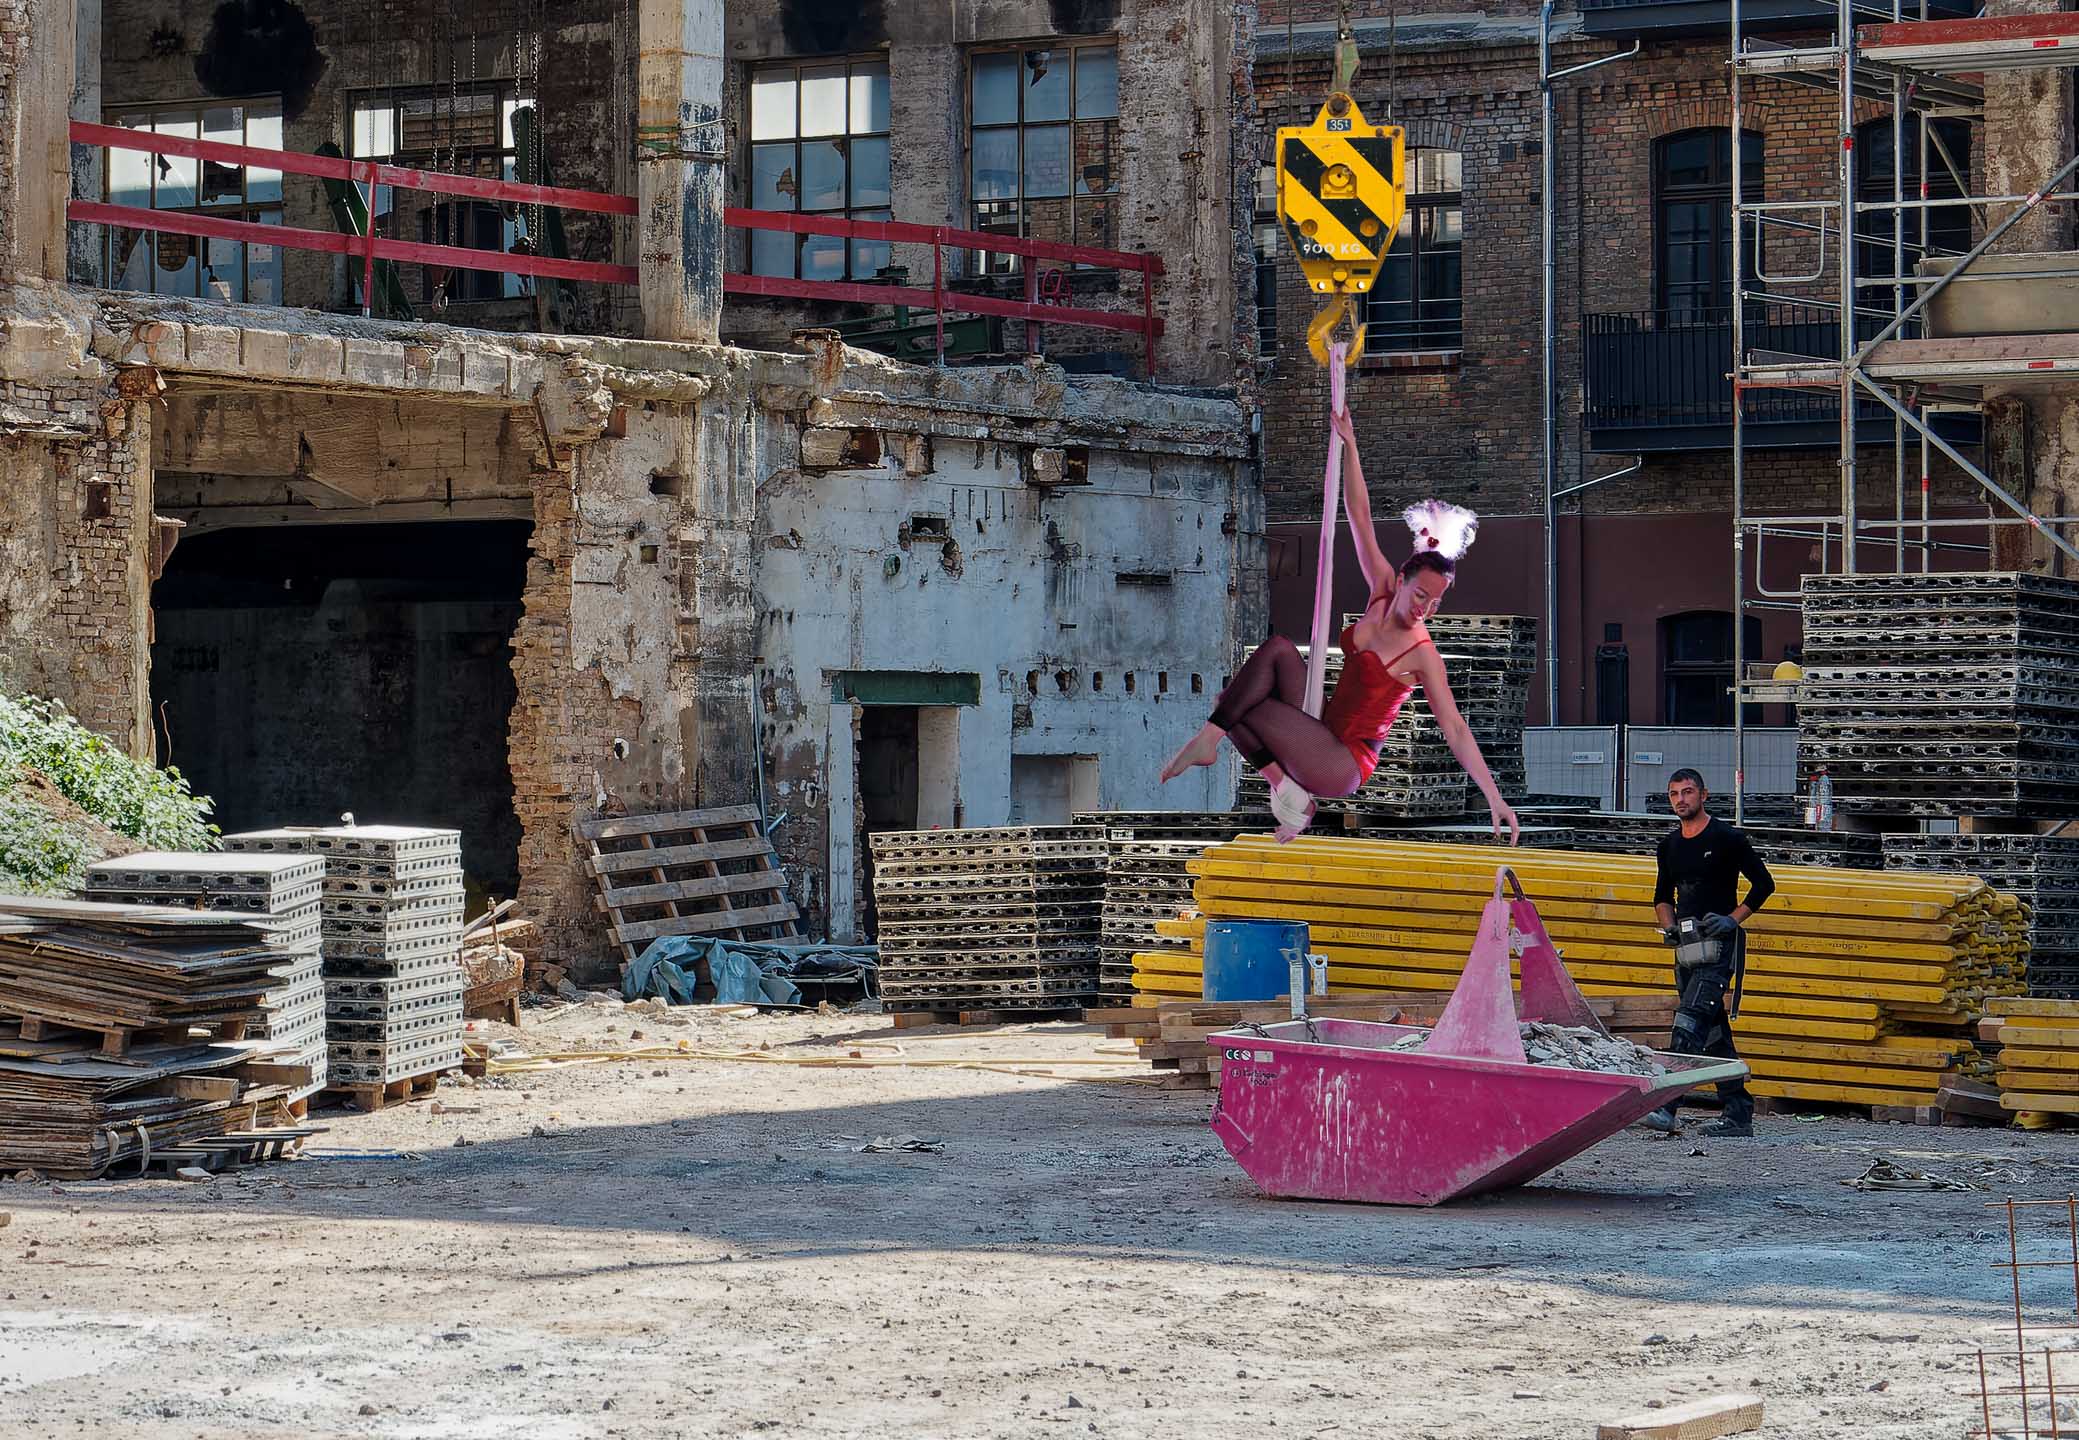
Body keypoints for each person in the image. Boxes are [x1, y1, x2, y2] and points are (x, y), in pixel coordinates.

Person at [1159, 493, 1521, 847]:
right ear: (1400, 582)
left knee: (1236, 705)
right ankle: (1280, 784)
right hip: (1323, 723)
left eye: (1436, 603)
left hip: (1342, 762)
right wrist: (1347, 441)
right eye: (1421, 595)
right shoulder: (1380, 591)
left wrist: (1494, 796)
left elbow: (1456, 729)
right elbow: (1359, 515)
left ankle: (1211, 743)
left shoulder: (1422, 654)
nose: (1424, 609)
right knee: (1274, 654)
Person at [1642, 767, 1774, 1137]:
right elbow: (1662, 896)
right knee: (1713, 1032)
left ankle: (1666, 1105)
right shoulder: (1668, 846)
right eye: (1674, 794)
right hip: (1686, 948)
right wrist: (1668, 926)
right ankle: (1738, 1111)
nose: (1680, 800)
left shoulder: (1727, 838)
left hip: (1718, 947)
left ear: (1703, 795)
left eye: (1687, 792)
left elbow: (1764, 884)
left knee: (1689, 1020)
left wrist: (1733, 920)